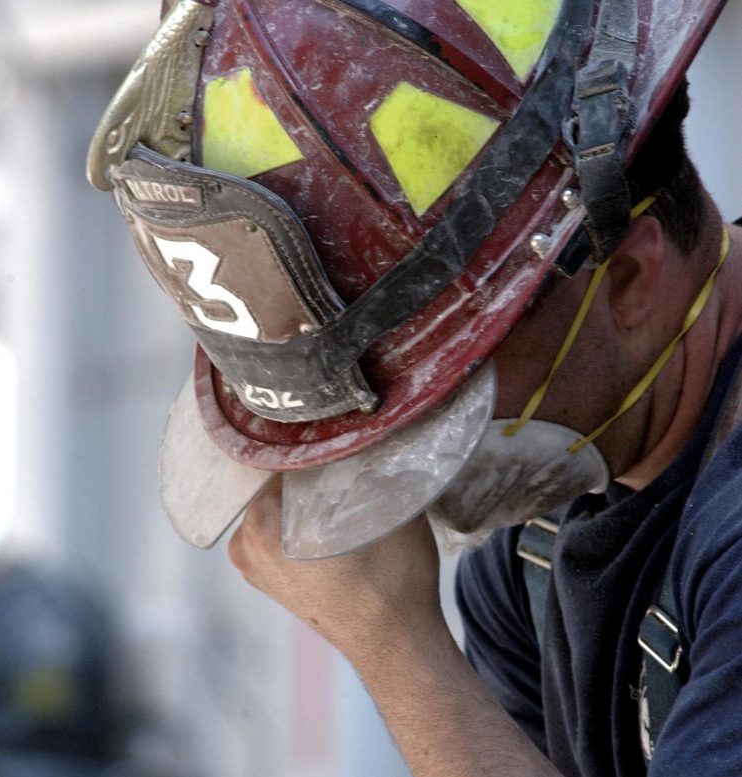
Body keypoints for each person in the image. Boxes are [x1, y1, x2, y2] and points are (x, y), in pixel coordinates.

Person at [87, 0, 740, 774]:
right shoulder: (535, 546)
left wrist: (397, 647)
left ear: (626, 279)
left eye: (440, 392)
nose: (403, 455)